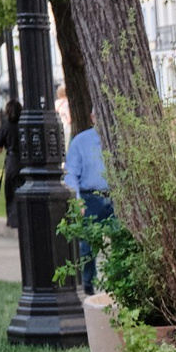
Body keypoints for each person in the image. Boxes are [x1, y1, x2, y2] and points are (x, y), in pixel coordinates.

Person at [64, 119, 112, 291]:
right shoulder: (80, 141)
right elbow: (70, 174)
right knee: (88, 246)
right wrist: (77, 200)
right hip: (90, 198)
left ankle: (121, 286)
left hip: (116, 197)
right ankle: (88, 285)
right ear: (92, 117)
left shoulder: (119, 138)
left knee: (124, 242)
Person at [0, 97, 23, 230]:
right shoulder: (24, 124)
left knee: (11, 192)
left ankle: (13, 220)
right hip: (24, 161)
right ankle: (24, 217)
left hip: (12, 161)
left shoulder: (5, 126)